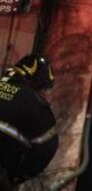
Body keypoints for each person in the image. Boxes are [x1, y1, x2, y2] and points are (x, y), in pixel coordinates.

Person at [0, 54, 59, 190]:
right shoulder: (34, 104)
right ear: (35, 81)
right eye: (44, 89)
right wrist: (16, 176)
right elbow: (47, 148)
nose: (45, 94)